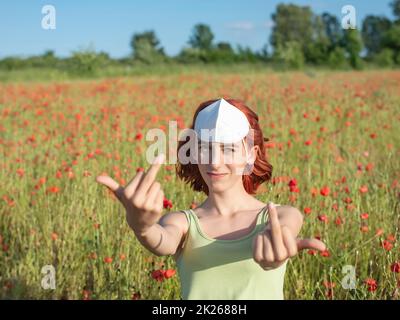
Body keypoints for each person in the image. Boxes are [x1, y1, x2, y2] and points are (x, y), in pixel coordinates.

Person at [96, 98, 327, 300]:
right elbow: (162, 241)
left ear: (250, 154)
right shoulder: (182, 222)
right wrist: (142, 227)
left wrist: (275, 253)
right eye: (205, 148)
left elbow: (284, 230)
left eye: (228, 149)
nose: (215, 162)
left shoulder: (280, 216)